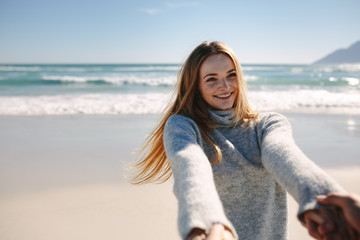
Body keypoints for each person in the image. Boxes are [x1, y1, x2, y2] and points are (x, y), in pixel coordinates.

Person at [131, 41, 351, 239]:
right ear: (195, 86)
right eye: (211, 79)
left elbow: (286, 157)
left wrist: (325, 204)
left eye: (231, 75)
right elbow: (191, 169)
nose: (225, 87)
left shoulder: (269, 124)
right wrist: (209, 223)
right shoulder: (183, 127)